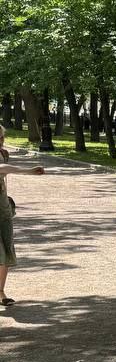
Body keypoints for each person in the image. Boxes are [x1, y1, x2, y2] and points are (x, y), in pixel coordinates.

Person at [0, 125, 46, 307]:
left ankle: (1, 292)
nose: (1, 141)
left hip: (3, 210)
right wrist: (28, 171)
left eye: (2, 137)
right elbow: (2, 169)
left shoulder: (3, 153)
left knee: (6, 252)